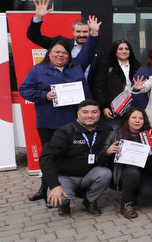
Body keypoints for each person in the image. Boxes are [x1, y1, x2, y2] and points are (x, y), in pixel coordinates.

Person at [19, 15, 101, 202]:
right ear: (49, 53)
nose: (60, 55)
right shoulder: (38, 70)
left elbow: (89, 50)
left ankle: (75, 187)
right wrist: (44, 96)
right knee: (49, 155)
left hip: (73, 122)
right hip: (49, 122)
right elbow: (25, 90)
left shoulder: (77, 66)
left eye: (64, 53)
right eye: (56, 52)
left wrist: (94, 34)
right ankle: (46, 188)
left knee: (73, 155)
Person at [39, 100, 113, 217]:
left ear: (99, 114)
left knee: (106, 174)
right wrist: (54, 185)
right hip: (66, 176)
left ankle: (89, 201)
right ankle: (65, 204)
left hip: (90, 173)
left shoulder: (106, 130)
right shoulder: (64, 132)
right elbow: (45, 158)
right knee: (58, 201)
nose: (90, 115)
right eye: (85, 112)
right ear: (78, 114)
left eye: (94, 112)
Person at [101, 107, 152, 219]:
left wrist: (151, 144)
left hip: (142, 172)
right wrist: (108, 152)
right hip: (122, 172)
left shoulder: (147, 135)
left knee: (150, 194)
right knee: (133, 172)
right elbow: (101, 160)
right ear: (127, 119)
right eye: (134, 117)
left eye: (141, 118)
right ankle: (125, 204)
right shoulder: (115, 134)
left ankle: (134, 192)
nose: (137, 120)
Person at [26, 0, 92, 76]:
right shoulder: (60, 43)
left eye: (85, 32)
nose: (81, 35)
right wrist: (38, 18)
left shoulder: (96, 51)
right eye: (78, 31)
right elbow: (33, 36)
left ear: (90, 32)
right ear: (73, 32)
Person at [93, 39, 142, 129]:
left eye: (126, 49)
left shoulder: (137, 66)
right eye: (120, 49)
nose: (124, 51)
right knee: (114, 134)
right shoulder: (106, 65)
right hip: (114, 110)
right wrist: (104, 106)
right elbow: (99, 87)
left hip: (133, 108)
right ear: (115, 51)